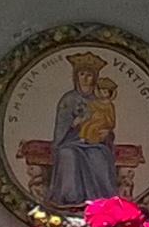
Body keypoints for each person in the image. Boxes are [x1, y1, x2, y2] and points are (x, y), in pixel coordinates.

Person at [46, 52, 122, 207]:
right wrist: (74, 124)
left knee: (97, 156)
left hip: (94, 142)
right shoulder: (68, 99)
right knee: (68, 155)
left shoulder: (100, 101)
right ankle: (70, 199)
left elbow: (108, 123)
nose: (85, 78)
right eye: (82, 74)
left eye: (89, 75)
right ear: (76, 77)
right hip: (69, 141)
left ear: (94, 78)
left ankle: (101, 203)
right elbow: (61, 126)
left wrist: (106, 134)